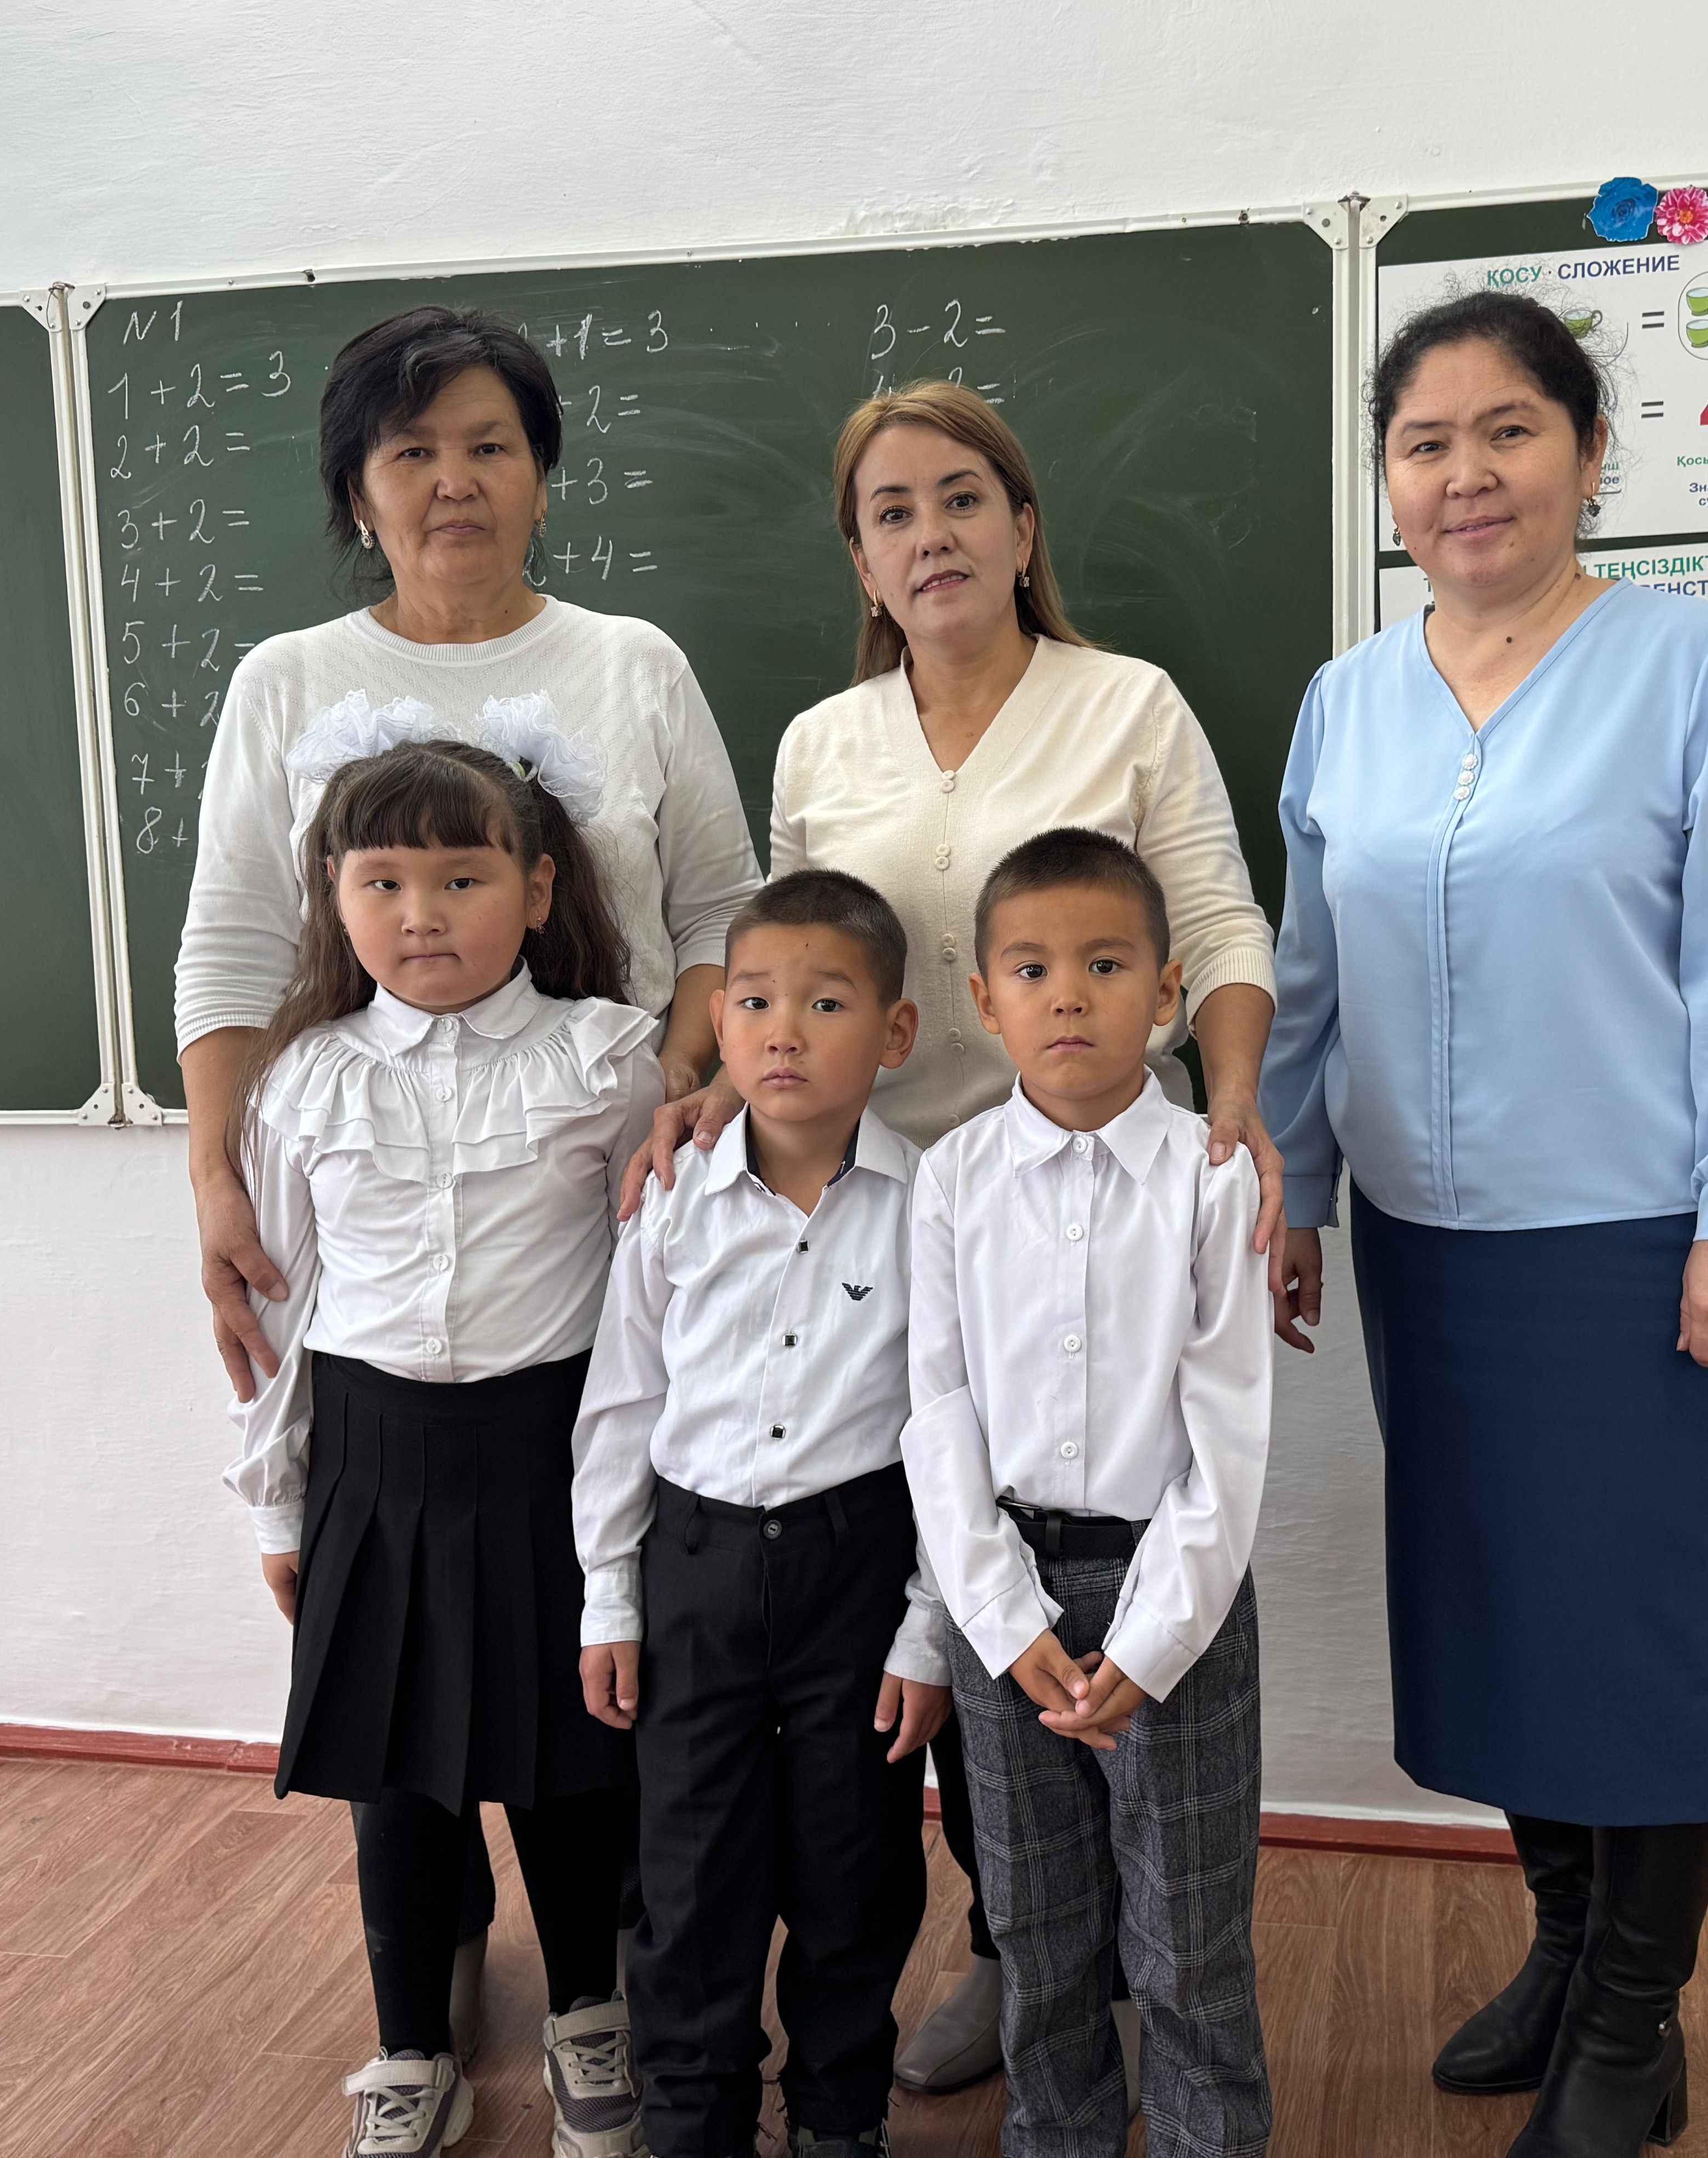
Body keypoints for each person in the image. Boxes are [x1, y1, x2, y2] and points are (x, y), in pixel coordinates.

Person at [628, 381, 1281, 2092]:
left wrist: (1232, 1113)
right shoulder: (822, 744)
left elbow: (1218, 923)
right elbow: (788, 954)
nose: (933, 534)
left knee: (1081, 1554)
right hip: (884, 1209)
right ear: (860, 558)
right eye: (894, 511)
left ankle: (1131, 1967)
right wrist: (708, 1086)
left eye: (964, 497)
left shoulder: (1126, 704)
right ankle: (1016, 1944)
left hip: (1101, 1204)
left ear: (1023, 524)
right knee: (926, 1587)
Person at [1263, 291, 1708, 2158]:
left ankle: (1630, 2027)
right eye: (1424, 443)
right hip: (1427, 1244)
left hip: (1633, 1240)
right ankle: (1570, 1941)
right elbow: (1307, 977)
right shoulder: (1348, 701)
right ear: (1387, 481)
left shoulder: (1690, 665)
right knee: (1502, 1615)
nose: (1466, 474)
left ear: (1589, 455)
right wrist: (1293, 1183)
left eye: (1508, 430)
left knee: (1641, 1633)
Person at [223, 711, 665, 2158]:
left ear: (537, 889)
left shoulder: (610, 1059)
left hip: (552, 1446)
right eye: (385, 882)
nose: (422, 914)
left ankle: (589, 2010)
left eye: (463, 878)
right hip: (371, 1455)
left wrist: (635, 1508)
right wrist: (277, 1500)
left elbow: (648, 1295)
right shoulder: (305, 1076)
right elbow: (278, 1310)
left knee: (572, 1753)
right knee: (396, 1767)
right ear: (336, 896)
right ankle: (411, 2043)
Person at [183, 305, 761, 1400]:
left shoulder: (634, 665)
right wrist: (217, 1180)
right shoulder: (286, 683)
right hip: (371, 1233)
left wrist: (677, 1083)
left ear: (541, 483)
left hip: (625, 1189)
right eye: (412, 454)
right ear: (358, 498)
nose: (456, 482)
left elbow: (721, 915)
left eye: (491, 447)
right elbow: (234, 950)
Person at [904, 827, 1275, 2158]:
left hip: (1169, 1591)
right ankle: (1054, 2134)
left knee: (1187, 1929)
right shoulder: (951, 1180)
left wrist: (1155, 1638)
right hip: (1005, 1599)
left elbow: (1228, 1431)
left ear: (1167, 992)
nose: (1068, 996)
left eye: (1106, 966)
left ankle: (1207, 2137)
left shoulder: (1212, 1178)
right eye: (1033, 970)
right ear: (984, 999)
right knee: (1038, 1922)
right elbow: (937, 1413)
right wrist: (1002, 1620)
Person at [570, 868, 952, 2158]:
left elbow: (952, 1432)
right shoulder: (671, 1196)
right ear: (720, 1027)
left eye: (826, 1003)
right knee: (688, 1873)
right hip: (696, 1567)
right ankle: (694, 2118)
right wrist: (609, 1597)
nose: (784, 1031)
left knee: (857, 1869)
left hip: (860, 1570)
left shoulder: (931, 1209)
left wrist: (927, 1631)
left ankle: (840, 2118)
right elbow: (622, 1405)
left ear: (895, 1033)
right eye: (753, 1002)